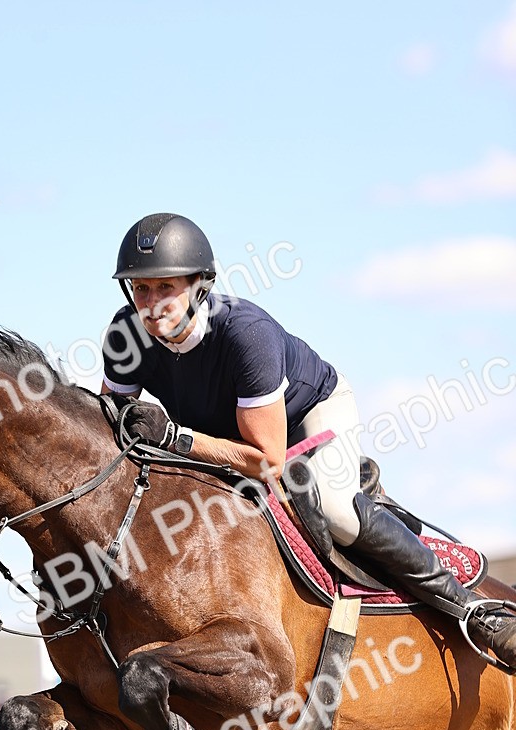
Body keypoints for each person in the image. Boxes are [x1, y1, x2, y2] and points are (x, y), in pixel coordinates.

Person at [100, 212, 516, 670]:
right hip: (221, 436)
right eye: (141, 289)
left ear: (200, 285)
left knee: (337, 514)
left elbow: (266, 461)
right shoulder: (127, 336)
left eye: (166, 288)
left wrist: (175, 438)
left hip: (307, 418)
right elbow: (113, 426)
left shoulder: (245, 334)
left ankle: (474, 613)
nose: (153, 303)